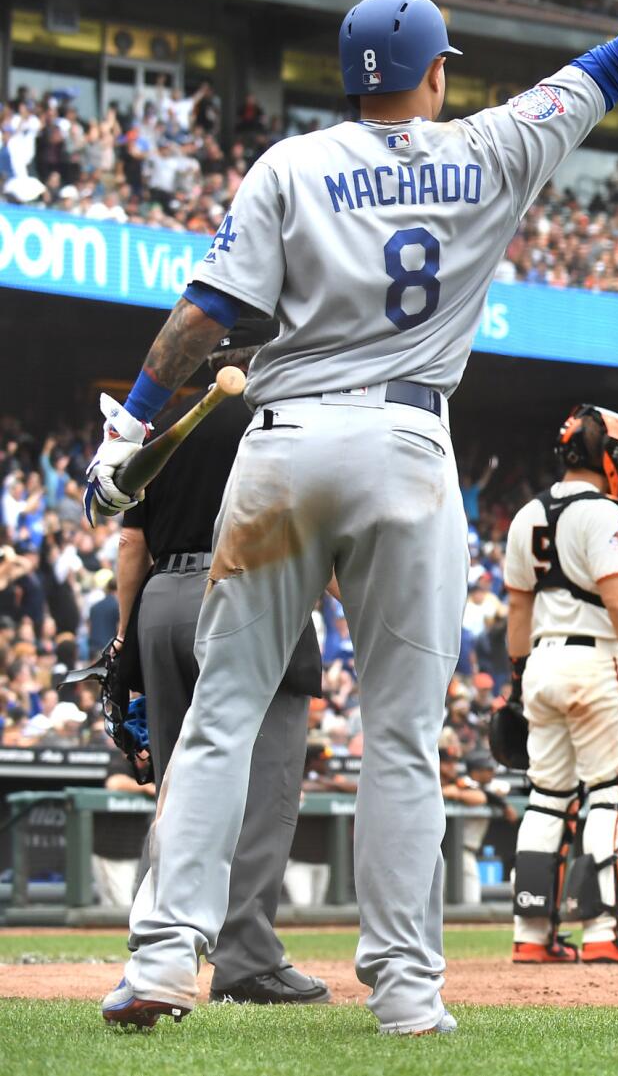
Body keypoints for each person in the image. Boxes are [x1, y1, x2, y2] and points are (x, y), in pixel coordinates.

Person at [81, 0, 618, 1033]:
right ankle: (407, 993)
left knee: (221, 721)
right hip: (404, 444)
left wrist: (130, 425)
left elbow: (197, 322)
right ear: (437, 72)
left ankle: (164, 960)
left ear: (348, 78)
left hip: (280, 448)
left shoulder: (289, 164)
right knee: (399, 738)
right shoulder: (489, 145)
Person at [114, 318, 329, 1005]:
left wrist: (124, 643)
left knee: (184, 784)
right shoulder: (283, 418)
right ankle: (246, 959)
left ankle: (156, 942)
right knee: (262, 789)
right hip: (250, 591)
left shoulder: (168, 421)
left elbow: (129, 549)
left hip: (162, 601)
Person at [501, 405, 618, 963]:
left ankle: (532, 936)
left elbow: (518, 609)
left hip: (542, 664)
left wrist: (517, 682)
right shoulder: (606, 515)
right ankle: (604, 932)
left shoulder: (527, 514)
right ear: (606, 458)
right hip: (597, 662)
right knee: (611, 791)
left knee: (547, 799)